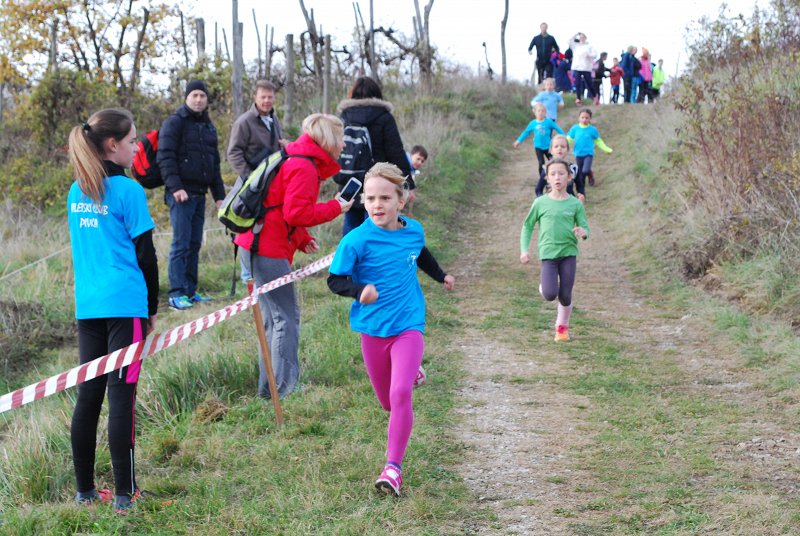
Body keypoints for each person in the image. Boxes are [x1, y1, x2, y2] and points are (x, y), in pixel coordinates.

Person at [327, 162, 455, 497]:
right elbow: (335, 280)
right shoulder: (356, 240)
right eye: (370, 198)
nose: (377, 205)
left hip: (408, 323)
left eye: (385, 198)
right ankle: (412, 373)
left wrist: (441, 275)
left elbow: (420, 255)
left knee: (400, 396)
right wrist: (359, 290)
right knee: (387, 402)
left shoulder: (413, 230)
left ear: (401, 199)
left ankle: (393, 469)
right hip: (373, 329)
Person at [66, 108, 159, 514]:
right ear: (112, 145)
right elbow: (147, 256)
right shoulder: (129, 191)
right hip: (125, 306)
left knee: (89, 396)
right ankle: (126, 494)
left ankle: (85, 492)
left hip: (88, 306)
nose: (137, 148)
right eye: (133, 141)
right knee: (122, 397)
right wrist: (151, 309)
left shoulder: (76, 190)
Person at [235, 113, 354, 399]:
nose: (343, 147)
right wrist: (335, 208)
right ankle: (284, 388)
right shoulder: (304, 166)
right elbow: (296, 212)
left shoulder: (296, 158)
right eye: (341, 140)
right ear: (328, 140)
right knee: (285, 319)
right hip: (266, 249)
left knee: (273, 320)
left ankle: (269, 390)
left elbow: (279, 206)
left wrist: (301, 239)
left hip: (255, 244)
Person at [157, 80, 225, 310]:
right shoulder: (174, 122)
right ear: (186, 97)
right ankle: (176, 294)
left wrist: (219, 195)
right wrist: (176, 187)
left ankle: (190, 291)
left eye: (202, 96)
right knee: (181, 243)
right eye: (194, 95)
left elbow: (214, 163)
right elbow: (165, 156)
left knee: (195, 243)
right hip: (180, 195)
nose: (198, 99)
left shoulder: (208, 126)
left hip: (200, 193)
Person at [520, 158, 589, 342]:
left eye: (561, 173)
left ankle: (562, 328)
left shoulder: (575, 204)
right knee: (550, 294)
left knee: (565, 295)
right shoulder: (540, 203)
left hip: (569, 253)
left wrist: (583, 233)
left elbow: (584, 226)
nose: (557, 177)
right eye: (552, 174)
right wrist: (524, 250)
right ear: (547, 178)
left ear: (569, 177)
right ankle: (545, 286)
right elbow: (527, 226)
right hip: (548, 254)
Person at [336, 76, 413, 235]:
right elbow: (395, 151)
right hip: (379, 182)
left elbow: (337, 149)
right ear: (377, 94)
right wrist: (408, 184)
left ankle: (350, 252)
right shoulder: (384, 116)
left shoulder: (344, 116)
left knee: (351, 230)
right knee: (377, 228)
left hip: (350, 183)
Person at [228, 79, 287, 284]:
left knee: (266, 228)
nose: (267, 101)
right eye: (263, 97)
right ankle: (248, 276)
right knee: (248, 228)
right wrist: (249, 178)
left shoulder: (273, 119)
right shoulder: (244, 122)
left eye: (270, 97)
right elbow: (233, 153)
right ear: (255, 97)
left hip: (271, 185)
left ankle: (264, 273)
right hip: (251, 186)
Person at [566, 108, 613, 196]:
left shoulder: (592, 130)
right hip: (578, 154)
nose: (584, 119)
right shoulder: (575, 129)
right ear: (579, 118)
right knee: (580, 173)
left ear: (590, 119)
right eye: (582, 117)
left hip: (588, 154)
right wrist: (561, 145)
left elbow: (598, 141)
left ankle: (590, 175)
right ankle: (582, 190)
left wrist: (606, 149)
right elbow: (568, 139)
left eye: (587, 118)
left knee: (585, 170)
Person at [513, 102, 564, 179]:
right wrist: (518, 141)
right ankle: (542, 178)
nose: (541, 113)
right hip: (538, 147)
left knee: (553, 161)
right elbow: (526, 132)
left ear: (545, 113)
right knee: (541, 162)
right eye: (539, 111)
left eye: (543, 111)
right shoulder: (532, 123)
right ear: (535, 112)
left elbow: (557, 128)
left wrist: (564, 136)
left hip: (548, 146)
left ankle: (553, 176)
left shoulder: (549, 122)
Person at [534, 134, 582, 202]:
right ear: (551, 150)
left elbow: (580, 186)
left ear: (567, 150)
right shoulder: (546, 169)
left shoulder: (573, 168)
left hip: (569, 204)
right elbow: (538, 189)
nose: (559, 148)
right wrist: (542, 201)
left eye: (563, 146)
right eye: (556, 146)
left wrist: (581, 195)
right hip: (552, 204)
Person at [569, 33, 596, 105]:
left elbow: (595, 55)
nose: (581, 38)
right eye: (580, 37)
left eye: (583, 37)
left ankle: (595, 97)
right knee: (577, 83)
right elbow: (569, 41)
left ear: (585, 38)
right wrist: (576, 34)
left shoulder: (589, 46)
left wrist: (589, 55)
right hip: (577, 67)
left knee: (589, 83)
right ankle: (578, 98)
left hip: (586, 68)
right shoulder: (576, 46)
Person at [405, 145, 428, 216]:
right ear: (411, 155)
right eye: (418, 159)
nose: (420, 162)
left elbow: (411, 189)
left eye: (422, 161)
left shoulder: (412, 169)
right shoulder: (404, 162)